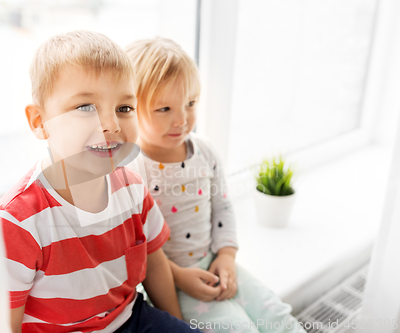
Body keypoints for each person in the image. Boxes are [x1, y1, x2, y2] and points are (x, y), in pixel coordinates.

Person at [0, 30, 201, 333]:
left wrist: (178, 325)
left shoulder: (131, 187)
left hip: (133, 318)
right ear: (40, 123)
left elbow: (154, 264)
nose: (111, 125)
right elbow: (5, 322)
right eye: (85, 108)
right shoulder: (17, 222)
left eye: (123, 108)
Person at [125, 37, 306, 333]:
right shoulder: (134, 168)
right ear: (131, 107)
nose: (182, 119)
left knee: (278, 316)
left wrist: (226, 256)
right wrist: (180, 277)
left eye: (190, 103)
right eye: (164, 109)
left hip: (215, 262)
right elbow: (138, 247)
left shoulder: (204, 151)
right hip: (174, 281)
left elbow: (222, 208)